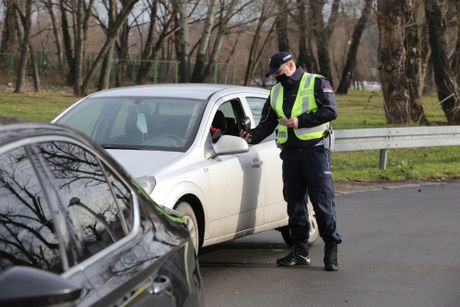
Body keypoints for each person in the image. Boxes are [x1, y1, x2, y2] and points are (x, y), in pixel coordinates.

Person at [240, 51, 342, 271]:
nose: (276, 78)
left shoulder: (316, 82)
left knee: (322, 202)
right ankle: (299, 251)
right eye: (273, 75)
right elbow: (268, 123)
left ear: (291, 66)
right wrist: (251, 137)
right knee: (294, 203)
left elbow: (331, 111)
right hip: (290, 154)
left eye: (279, 73)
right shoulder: (275, 92)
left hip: (315, 152)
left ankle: (331, 249)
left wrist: (300, 121)